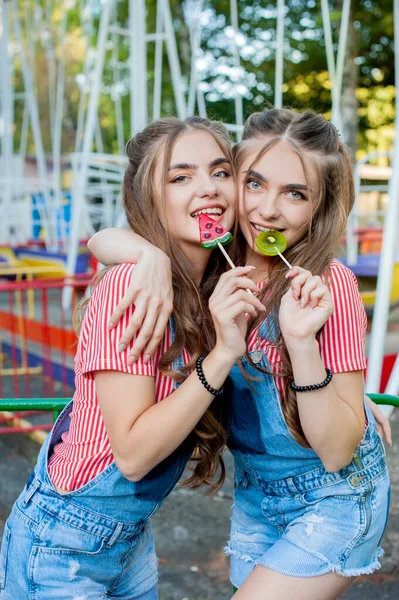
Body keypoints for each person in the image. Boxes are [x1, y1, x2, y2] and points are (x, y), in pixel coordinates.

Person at [88, 108, 391, 600]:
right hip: (256, 496)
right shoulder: (210, 271)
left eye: (296, 194)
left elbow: (337, 449)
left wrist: (306, 351)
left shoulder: (326, 286)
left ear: (319, 206)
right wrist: (150, 256)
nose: (267, 210)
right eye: (254, 183)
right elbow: (101, 239)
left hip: (337, 497)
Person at [0, 116, 268, 599]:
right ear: (149, 198)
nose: (208, 190)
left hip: (128, 540)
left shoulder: (207, 287)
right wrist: (224, 352)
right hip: (66, 546)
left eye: (221, 172)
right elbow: (133, 455)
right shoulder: (133, 284)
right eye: (180, 177)